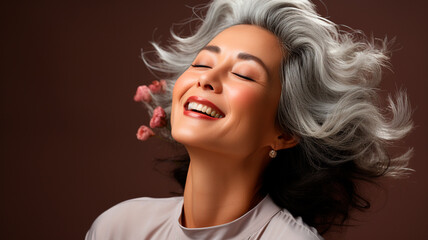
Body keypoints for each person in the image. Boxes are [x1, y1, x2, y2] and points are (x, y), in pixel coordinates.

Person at [85, 0, 413, 239]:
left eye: (243, 74)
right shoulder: (119, 227)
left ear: (285, 132)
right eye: (201, 64)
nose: (206, 79)